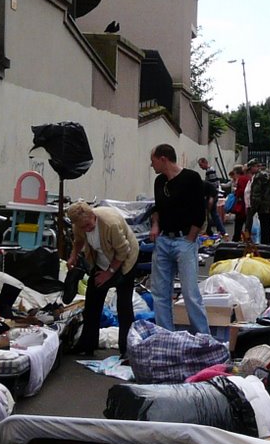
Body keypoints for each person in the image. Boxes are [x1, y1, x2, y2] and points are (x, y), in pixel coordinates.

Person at [62, 201, 139, 355]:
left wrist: (109, 273)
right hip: (101, 259)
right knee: (92, 301)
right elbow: (79, 241)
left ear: (93, 216)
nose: (87, 229)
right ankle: (87, 344)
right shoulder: (79, 225)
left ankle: (127, 349)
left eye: (89, 225)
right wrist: (73, 256)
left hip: (125, 260)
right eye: (82, 227)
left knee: (124, 305)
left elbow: (123, 251)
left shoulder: (110, 224)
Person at [149, 144, 210, 338]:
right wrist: (156, 225)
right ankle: (166, 335)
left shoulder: (191, 178)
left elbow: (200, 211)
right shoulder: (160, 182)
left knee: (190, 293)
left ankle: (203, 337)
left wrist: (191, 236)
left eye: (153, 161)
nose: (152, 165)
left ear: (163, 158)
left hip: (184, 239)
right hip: (164, 239)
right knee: (160, 292)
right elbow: (157, 207)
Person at [249, 162, 270, 246]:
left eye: (251, 168)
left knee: (263, 226)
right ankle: (269, 244)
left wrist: (254, 208)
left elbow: (256, 193)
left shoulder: (259, 176)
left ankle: (264, 245)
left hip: (262, 205)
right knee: (267, 226)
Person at [196, 158, 223, 235]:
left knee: (211, 213)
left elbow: (212, 184)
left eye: (201, 165)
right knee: (213, 214)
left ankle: (216, 230)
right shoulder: (211, 169)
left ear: (205, 162)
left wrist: (211, 196)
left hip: (212, 194)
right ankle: (217, 230)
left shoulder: (209, 171)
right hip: (213, 194)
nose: (201, 167)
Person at [230, 163, 252, 242]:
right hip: (246, 205)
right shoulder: (247, 179)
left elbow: (241, 191)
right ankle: (246, 238)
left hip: (241, 206)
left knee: (238, 224)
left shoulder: (242, 179)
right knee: (247, 224)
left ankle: (236, 238)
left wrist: (236, 192)